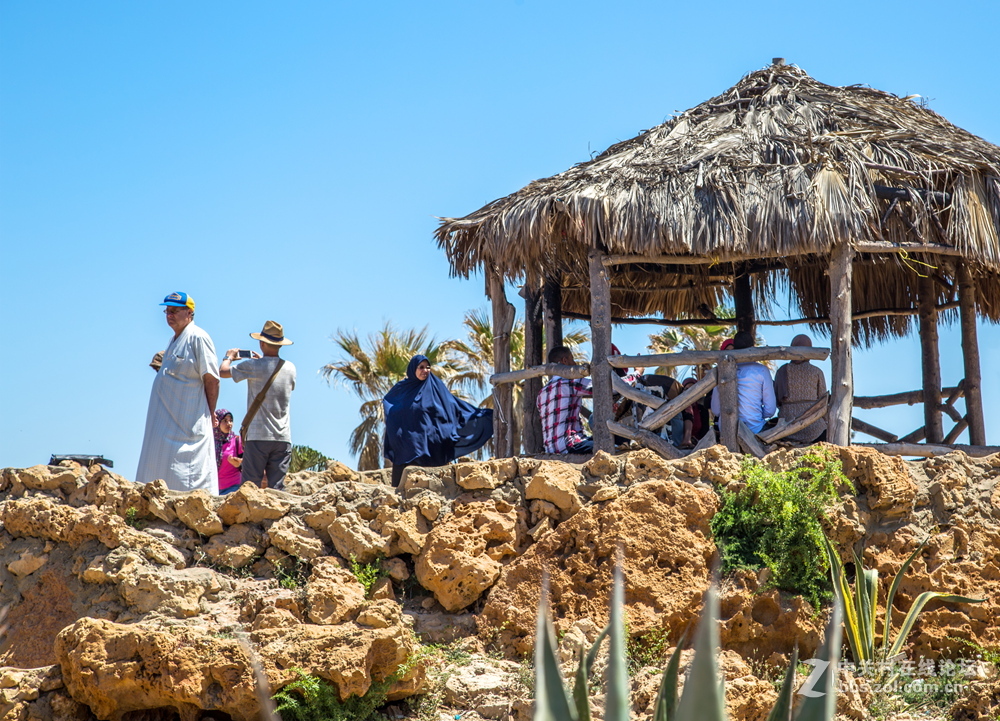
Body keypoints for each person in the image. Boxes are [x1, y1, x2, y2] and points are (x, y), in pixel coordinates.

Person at [136, 292, 220, 492]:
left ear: (189, 313)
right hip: (166, 428)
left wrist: (210, 412)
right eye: (167, 311)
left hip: (187, 428)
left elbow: (211, 378)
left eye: (174, 311)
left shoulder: (198, 337)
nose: (169, 315)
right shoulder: (174, 340)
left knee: (186, 481)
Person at [383, 355, 493, 487]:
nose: (425, 370)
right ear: (413, 369)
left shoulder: (435, 386)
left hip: (431, 445)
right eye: (421, 367)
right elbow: (391, 407)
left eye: (428, 367)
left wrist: (484, 415)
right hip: (406, 445)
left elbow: (452, 406)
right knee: (402, 487)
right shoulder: (401, 389)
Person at [220, 320, 297, 490]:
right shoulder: (290, 368)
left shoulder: (253, 366)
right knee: (277, 488)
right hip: (283, 437)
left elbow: (222, 372)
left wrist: (229, 357)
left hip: (258, 436)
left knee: (250, 487)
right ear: (280, 345)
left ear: (261, 343)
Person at [710, 330, 776, 434]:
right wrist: (754, 415)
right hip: (755, 429)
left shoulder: (721, 371)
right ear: (753, 347)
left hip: (726, 429)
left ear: (734, 348)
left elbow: (716, 410)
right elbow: (770, 410)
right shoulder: (761, 370)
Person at [537, 346, 593, 454]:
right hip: (571, 445)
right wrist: (629, 378)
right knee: (612, 445)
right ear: (565, 361)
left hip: (551, 450)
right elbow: (606, 387)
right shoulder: (570, 382)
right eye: (572, 359)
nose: (575, 363)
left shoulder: (541, 393)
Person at [773, 334, 828, 443]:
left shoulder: (782, 371)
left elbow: (777, 400)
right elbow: (823, 400)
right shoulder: (817, 372)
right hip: (813, 427)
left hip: (787, 427)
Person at [214, 409, 244, 494]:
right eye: (225, 421)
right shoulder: (210, 441)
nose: (229, 424)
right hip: (212, 487)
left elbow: (247, 464)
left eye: (231, 421)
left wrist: (238, 464)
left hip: (233, 486)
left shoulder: (237, 441)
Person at [679, 376, 712, 448]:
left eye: (692, 389)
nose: (689, 391)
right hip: (677, 444)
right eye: (686, 389)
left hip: (697, 445)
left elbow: (704, 430)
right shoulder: (677, 409)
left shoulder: (702, 409)